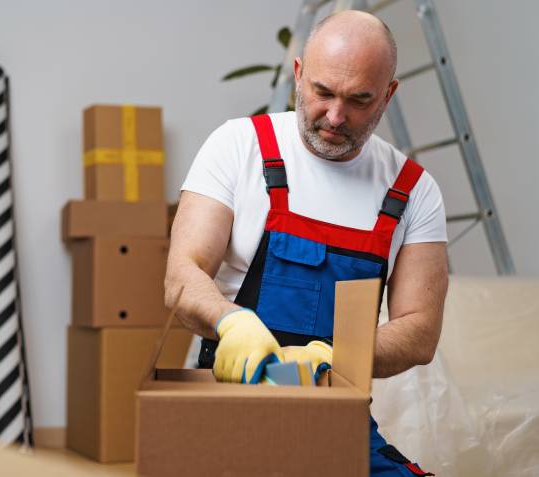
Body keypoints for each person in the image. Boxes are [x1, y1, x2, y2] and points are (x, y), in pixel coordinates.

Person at [165, 9, 447, 477]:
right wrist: (231, 322)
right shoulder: (239, 146)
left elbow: (420, 329)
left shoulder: (412, 190)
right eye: (322, 92)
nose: (336, 117)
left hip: (337, 417)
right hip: (229, 411)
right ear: (299, 74)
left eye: (359, 99)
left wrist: (339, 358)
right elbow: (181, 275)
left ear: (388, 94)